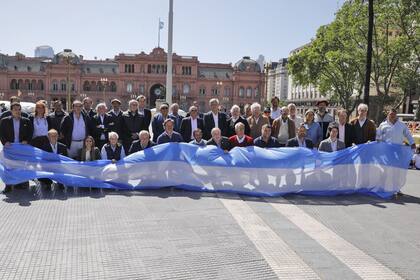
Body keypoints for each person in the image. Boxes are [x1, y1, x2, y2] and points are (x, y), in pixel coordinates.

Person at [0, 102, 33, 193]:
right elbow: (1, 133)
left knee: (22, 165)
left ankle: (21, 183)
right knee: (9, 167)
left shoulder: (26, 121)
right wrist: (5, 142)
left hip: (22, 148)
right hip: (9, 148)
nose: (17, 111)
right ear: (11, 111)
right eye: (15, 110)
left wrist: (27, 141)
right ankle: (8, 185)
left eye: (19, 109)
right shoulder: (4, 120)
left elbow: (30, 133)